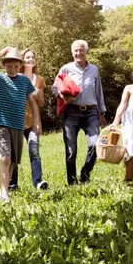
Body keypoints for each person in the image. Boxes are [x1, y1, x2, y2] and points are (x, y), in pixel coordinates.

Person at [0, 47, 41, 203]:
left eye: (16, 66)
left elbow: (32, 101)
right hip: (2, 123)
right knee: (5, 158)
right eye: (9, 66)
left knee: (12, 161)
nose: (12, 69)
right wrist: (0, 53)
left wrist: (36, 121)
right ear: (4, 65)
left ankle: (5, 190)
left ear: (19, 66)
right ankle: (3, 193)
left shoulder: (24, 80)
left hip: (18, 125)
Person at [52, 40, 107, 185]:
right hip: (72, 113)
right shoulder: (66, 69)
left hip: (91, 113)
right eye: (76, 51)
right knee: (71, 151)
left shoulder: (94, 69)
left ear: (86, 51)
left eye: (81, 50)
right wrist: (62, 96)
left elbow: (98, 91)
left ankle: (85, 173)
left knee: (95, 144)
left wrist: (102, 113)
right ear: (72, 53)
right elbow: (54, 87)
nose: (78, 53)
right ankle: (72, 181)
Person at [9, 49, 48, 190]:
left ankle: (38, 182)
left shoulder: (39, 79)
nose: (30, 59)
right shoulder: (15, 77)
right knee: (14, 154)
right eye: (27, 57)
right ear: (22, 61)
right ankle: (12, 185)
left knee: (34, 151)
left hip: (33, 122)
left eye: (33, 57)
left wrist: (36, 94)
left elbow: (42, 103)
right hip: (16, 122)